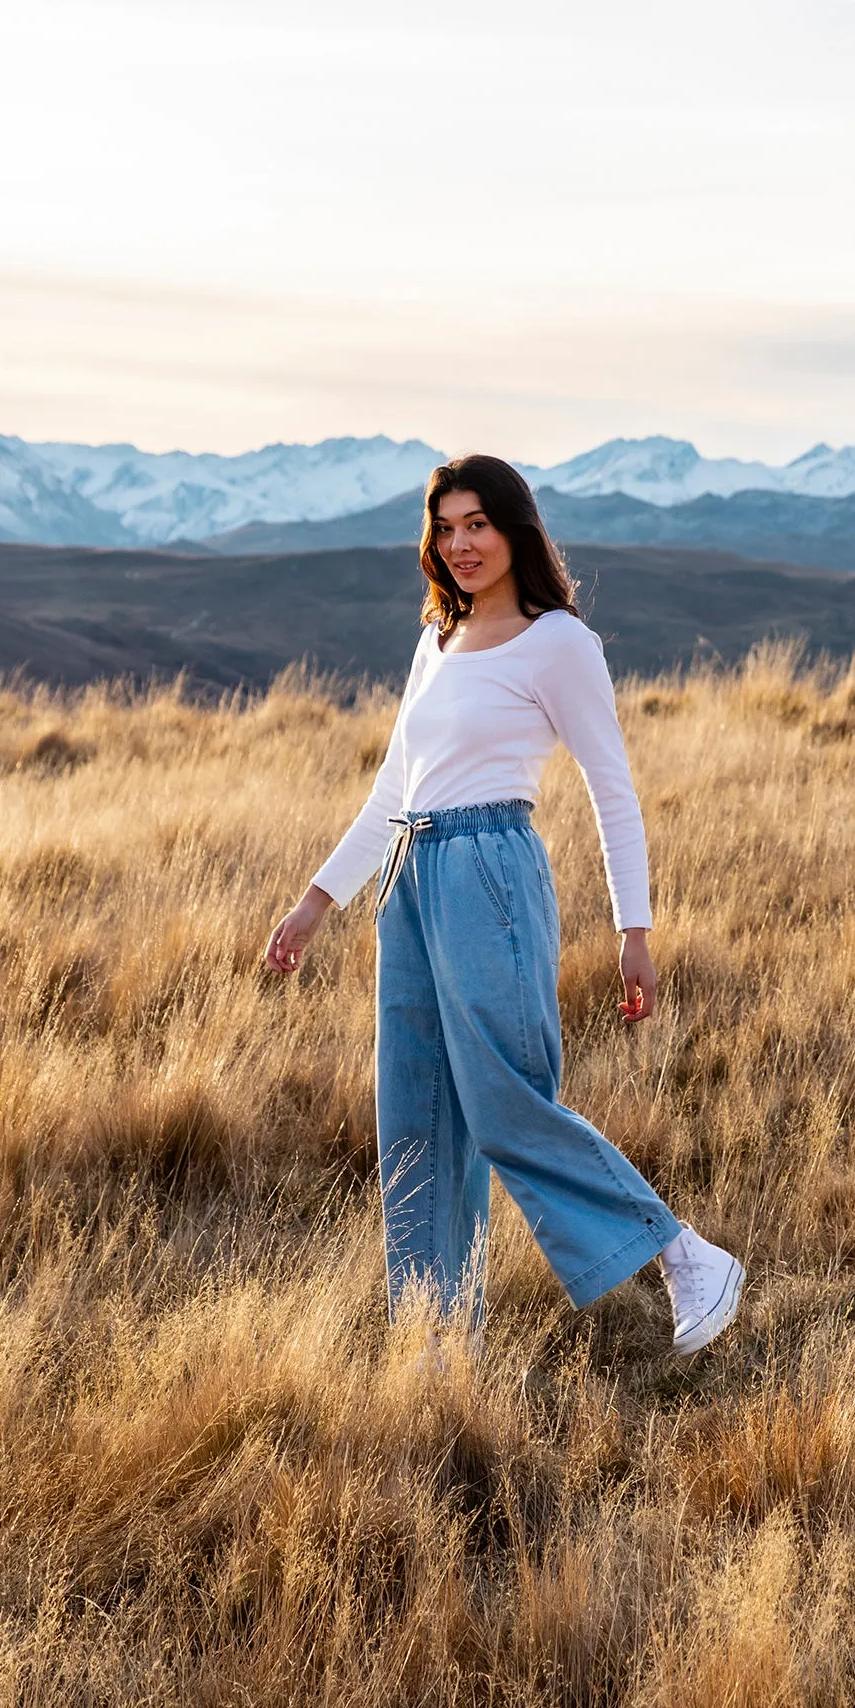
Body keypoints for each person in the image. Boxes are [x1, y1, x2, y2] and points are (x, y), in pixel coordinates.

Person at [263, 454, 744, 1358]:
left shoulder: (558, 642)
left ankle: (684, 1256)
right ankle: (436, 1341)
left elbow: (613, 791)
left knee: (502, 1104)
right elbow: (391, 788)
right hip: (410, 874)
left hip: (490, 867)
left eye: (476, 523)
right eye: (444, 528)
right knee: (414, 1115)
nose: (460, 544)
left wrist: (631, 929)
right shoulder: (434, 640)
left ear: (513, 528)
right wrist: (316, 901)